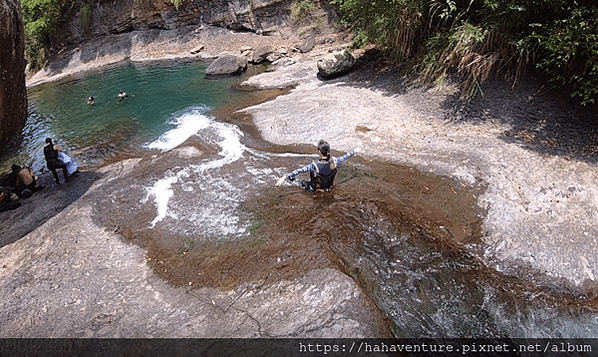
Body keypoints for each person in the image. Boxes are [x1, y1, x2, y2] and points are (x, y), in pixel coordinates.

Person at [275, 140, 358, 191]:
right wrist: (354, 151)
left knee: (294, 180)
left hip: (314, 189)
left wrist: (284, 177)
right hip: (328, 188)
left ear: (319, 151)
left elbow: (299, 170)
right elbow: (345, 157)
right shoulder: (335, 161)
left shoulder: (314, 166)